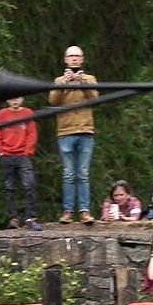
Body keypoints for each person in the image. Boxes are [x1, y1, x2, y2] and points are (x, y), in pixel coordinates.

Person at [49, 45, 99, 224]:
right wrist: (64, 82)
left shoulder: (90, 78)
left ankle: (84, 211)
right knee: (69, 173)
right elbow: (53, 100)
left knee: (83, 173)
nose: (74, 59)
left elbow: (95, 98)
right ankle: (68, 211)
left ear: (82, 59)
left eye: (77, 56)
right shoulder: (58, 80)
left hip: (85, 130)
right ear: (65, 59)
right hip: (65, 131)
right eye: (71, 56)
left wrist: (82, 82)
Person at [0, 96, 40, 230]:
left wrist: (27, 151)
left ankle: (30, 217)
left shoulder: (27, 113)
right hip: (7, 155)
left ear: (23, 98)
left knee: (29, 184)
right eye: (12, 98)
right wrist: (0, 150)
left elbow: (32, 133)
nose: (15, 101)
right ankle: (13, 218)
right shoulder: (2, 114)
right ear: (7, 99)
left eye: (17, 98)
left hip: (23, 155)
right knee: (9, 188)